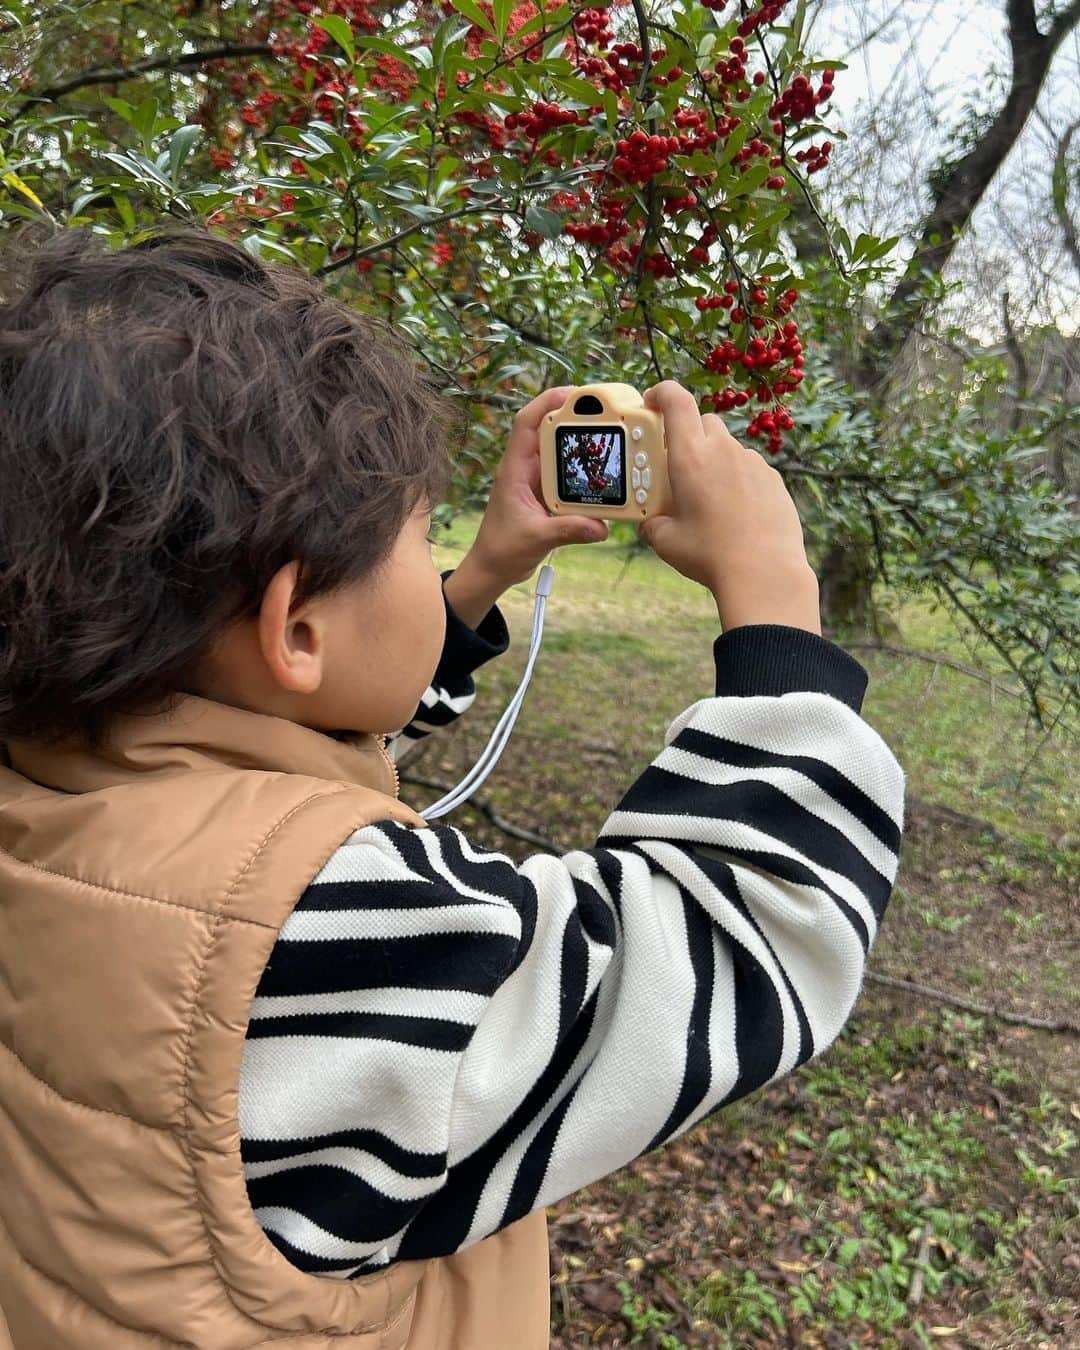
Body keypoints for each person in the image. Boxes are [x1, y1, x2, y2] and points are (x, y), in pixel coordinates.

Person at [0, 226, 905, 1350]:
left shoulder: (55, 777)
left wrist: (483, 574)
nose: (440, 554)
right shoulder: (321, 936)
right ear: (296, 627)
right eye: (423, 533)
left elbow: (282, 748)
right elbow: (755, 935)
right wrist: (775, 599)